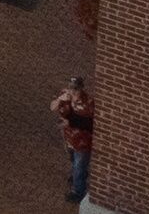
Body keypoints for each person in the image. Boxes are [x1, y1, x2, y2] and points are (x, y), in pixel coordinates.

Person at [53, 77, 97, 206]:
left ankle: (78, 191)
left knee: (79, 165)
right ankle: (78, 175)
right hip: (69, 139)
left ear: (81, 88)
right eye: (71, 88)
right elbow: (52, 107)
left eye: (76, 89)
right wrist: (60, 100)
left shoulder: (89, 103)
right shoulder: (64, 95)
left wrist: (70, 121)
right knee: (74, 161)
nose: (73, 91)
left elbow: (91, 124)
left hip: (82, 142)